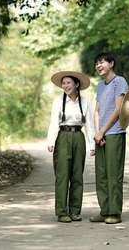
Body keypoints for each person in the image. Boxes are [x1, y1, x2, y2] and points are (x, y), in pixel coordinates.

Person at [46, 71, 95, 223]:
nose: (65, 85)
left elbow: (89, 124)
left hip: (78, 137)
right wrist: (51, 141)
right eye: (63, 83)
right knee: (62, 175)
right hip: (63, 136)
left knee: (77, 176)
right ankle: (62, 212)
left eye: (68, 82)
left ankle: (75, 211)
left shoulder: (85, 102)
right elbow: (54, 122)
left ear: (77, 84)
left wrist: (92, 144)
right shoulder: (58, 101)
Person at [90, 52, 129, 225]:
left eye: (102, 62)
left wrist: (103, 131)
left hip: (115, 133)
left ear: (111, 63)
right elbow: (97, 111)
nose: (99, 66)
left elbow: (118, 110)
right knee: (101, 174)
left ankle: (115, 212)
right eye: (97, 63)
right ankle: (104, 210)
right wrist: (98, 133)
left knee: (113, 174)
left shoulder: (119, 82)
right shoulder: (100, 85)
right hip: (102, 135)